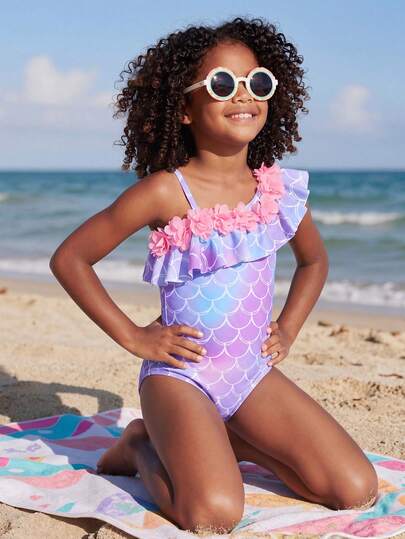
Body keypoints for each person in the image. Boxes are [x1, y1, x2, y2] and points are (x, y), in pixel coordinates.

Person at [50, 16, 378, 535]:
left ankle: (232, 442)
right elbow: (70, 258)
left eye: (257, 82)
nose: (243, 95)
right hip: (181, 377)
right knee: (214, 513)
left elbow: (314, 262)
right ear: (184, 108)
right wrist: (135, 337)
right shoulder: (165, 191)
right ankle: (141, 444)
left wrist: (289, 327)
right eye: (223, 84)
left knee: (354, 488)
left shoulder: (277, 192)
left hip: (250, 374)